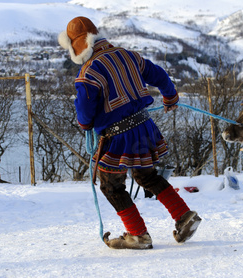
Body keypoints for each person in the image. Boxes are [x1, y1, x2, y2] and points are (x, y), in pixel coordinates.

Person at [58, 16, 201, 249]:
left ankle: (138, 235)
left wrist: (85, 125)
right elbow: (159, 75)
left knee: (110, 186)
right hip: (144, 127)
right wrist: (170, 96)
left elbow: (84, 112)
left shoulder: (88, 73)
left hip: (117, 137)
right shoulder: (129, 56)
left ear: (78, 46)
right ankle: (184, 216)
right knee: (147, 176)